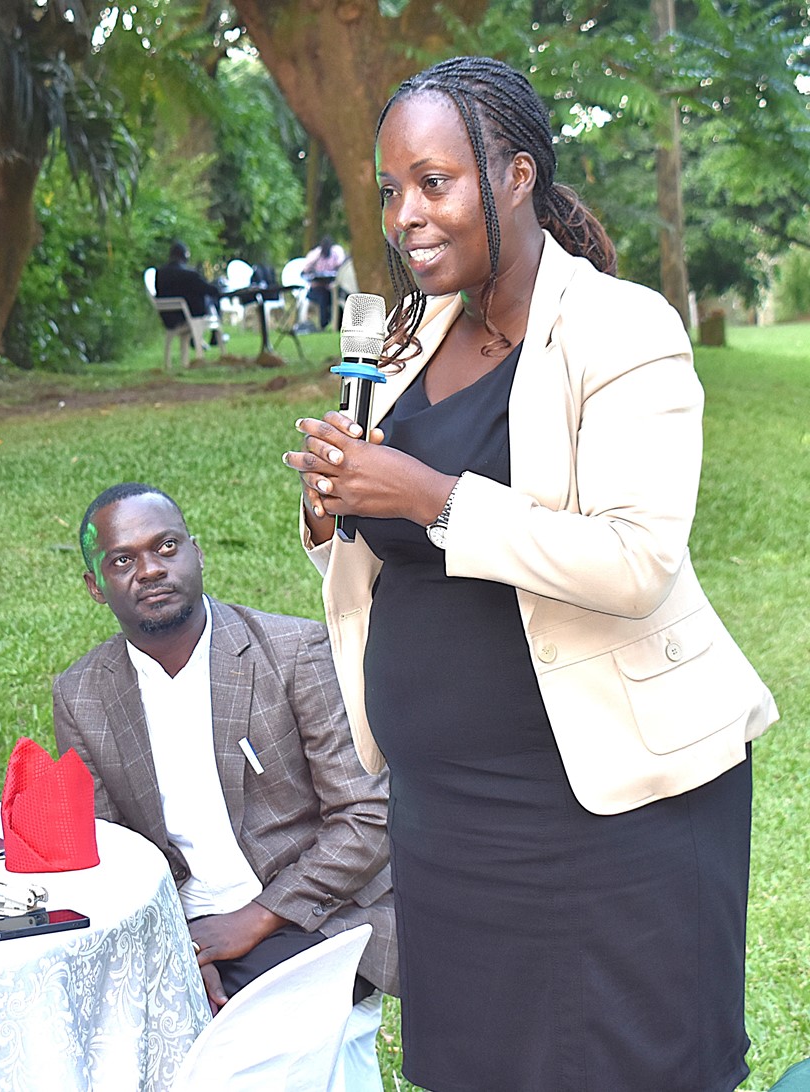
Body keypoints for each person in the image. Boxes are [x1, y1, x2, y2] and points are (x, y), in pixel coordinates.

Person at [282, 56, 778, 1092]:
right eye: (388, 190)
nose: (404, 215)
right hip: (445, 808)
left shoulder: (619, 328)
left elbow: (635, 560)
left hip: (602, 805)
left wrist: (424, 494)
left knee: (622, 1066)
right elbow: (379, 523)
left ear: (513, 175)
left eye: (433, 182)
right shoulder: (411, 330)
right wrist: (334, 507)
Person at [52, 483, 397, 1022]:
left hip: (314, 914)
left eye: (166, 547)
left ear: (197, 553)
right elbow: (111, 851)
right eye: (123, 560)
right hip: (181, 925)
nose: (149, 570)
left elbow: (367, 815)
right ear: (95, 586)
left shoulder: (293, 654)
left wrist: (254, 920)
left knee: (252, 1023)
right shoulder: (82, 696)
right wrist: (182, 945)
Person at [153, 241, 221, 342]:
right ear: (185, 256)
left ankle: (199, 339)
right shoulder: (189, 275)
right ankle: (214, 336)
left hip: (168, 318)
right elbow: (210, 290)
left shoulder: (160, 273)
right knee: (210, 299)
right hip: (188, 316)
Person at [298, 235, 348, 331]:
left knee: (337, 296)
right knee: (323, 297)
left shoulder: (334, 254)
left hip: (329, 288)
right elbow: (305, 270)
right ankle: (323, 325)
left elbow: (340, 266)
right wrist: (315, 260)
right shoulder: (316, 254)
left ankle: (338, 323)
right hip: (316, 289)